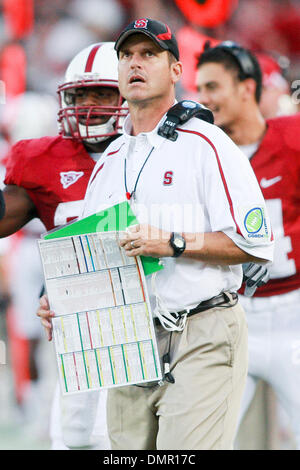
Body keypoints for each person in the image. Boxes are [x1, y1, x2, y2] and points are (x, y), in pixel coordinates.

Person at [74, 18, 273, 450]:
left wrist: (175, 243)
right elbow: (92, 257)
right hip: (128, 339)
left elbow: (254, 244)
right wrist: (61, 299)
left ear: (176, 70)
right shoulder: (109, 159)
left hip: (201, 330)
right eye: (126, 55)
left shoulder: (208, 143)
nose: (135, 64)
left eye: (149, 54)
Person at [0, 41, 127, 450]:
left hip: (151, 320)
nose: (88, 106)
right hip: (82, 327)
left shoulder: (155, 151)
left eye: (103, 94)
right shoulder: (44, 159)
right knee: (72, 439)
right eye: (79, 95)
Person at [196, 40, 300, 449]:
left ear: (246, 87)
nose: (203, 99)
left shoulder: (291, 139)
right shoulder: (201, 154)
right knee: (199, 442)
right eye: (200, 88)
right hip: (230, 316)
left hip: (294, 315)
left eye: (212, 87)